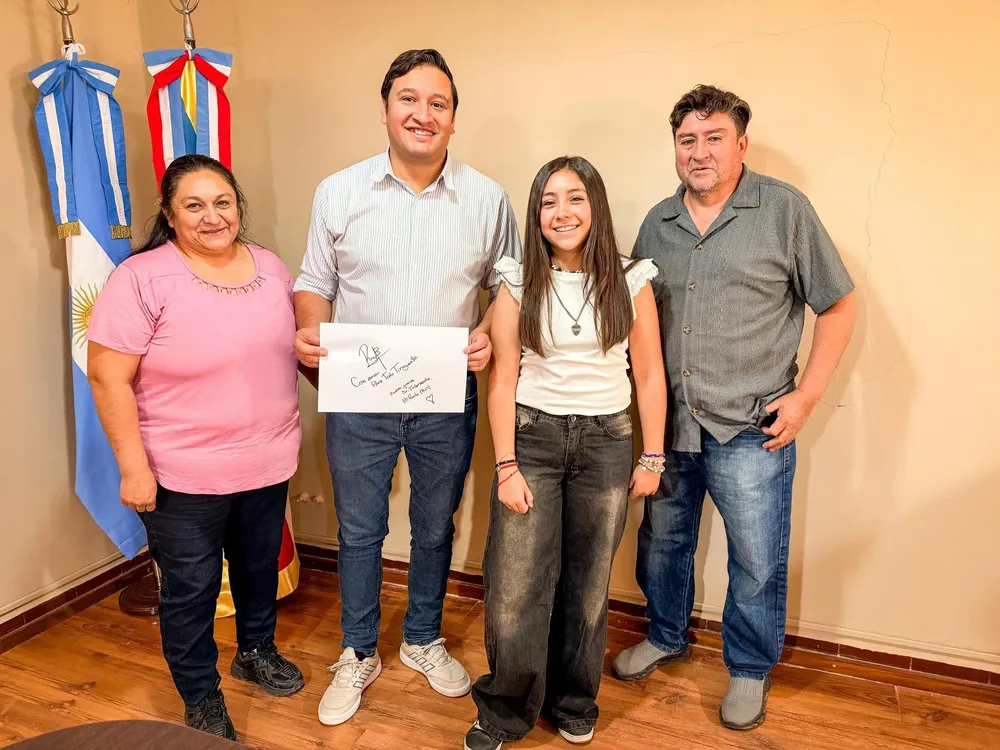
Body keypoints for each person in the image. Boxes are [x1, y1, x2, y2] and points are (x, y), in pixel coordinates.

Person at [612, 85, 857, 730]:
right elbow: (637, 321)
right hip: (672, 426)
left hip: (752, 426)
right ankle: (665, 636)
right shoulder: (658, 223)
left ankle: (748, 667)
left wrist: (806, 397)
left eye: (714, 138)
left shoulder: (784, 210)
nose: (700, 152)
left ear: (741, 144)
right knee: (662, 544)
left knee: (756, 558)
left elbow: (838, 305)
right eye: (687, 140)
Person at [292, 48, 522, 727]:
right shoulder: (338, 191)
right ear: (386, 108)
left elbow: (509, 285)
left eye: (438, 103)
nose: (423, 114)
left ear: (453, 118)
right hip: (359, 394)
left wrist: (487, 331)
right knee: (359, 530)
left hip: (445, 394)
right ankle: (358, 649)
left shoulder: (488, 198)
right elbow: (315, 282)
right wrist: (310, 330)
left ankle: (422, 637)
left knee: (433, 525)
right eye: (409, 100)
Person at [87, 154, 305, 741]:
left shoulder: (271, 268)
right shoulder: (141, 279)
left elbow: (300, 351)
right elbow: (107, 378)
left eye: (222, 202)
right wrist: (134, 469)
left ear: (238, 206)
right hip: (180, 477)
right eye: (194, 205)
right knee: (192, 591)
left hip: (267, 463)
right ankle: (201, 695)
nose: (213, 217)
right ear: (169, 213)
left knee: (258, 569)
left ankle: (255, 651)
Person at [464, 156, 666, 750]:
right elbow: (502, 378)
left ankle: (574, 700)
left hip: (607, 444)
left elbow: (649, 374)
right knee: (517, 583)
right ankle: (505, 709)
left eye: (575, 198)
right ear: (536, 214)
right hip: (533, 439)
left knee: (588, 585)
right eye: (548, 201)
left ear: (595, 206)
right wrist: (506, 464)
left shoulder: (631, 279)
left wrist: (652, 457)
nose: (562, 212)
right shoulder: (518, 280)